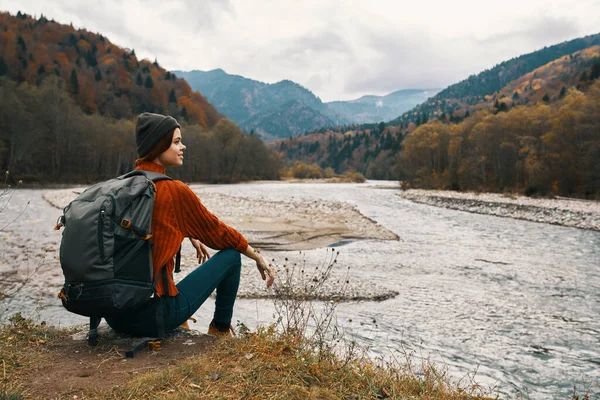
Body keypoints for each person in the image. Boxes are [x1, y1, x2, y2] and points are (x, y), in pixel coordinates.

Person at [105, 112, 275, 337]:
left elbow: (151, 227)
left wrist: (189, 234)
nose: (183, 147)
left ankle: (183, 321)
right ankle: (220, 330)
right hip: (151, 318)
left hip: (114, 315)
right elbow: (221, 234)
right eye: (176, 142)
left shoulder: (123, 185)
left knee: (153, 254)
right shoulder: (174, 191)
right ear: (158, 146)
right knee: (232, 257)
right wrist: (257, 257)